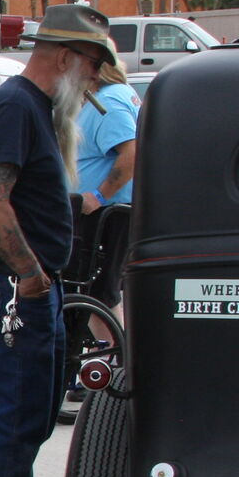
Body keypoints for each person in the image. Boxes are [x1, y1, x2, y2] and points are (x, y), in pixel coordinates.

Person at [0, 3, 113, 477]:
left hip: (28, 283)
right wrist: (26, 271)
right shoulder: (15, 106)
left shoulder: (34, 109)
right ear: (68, 56)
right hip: (13, 285)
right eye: (94, 64)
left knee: (36, 411)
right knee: (17, 414)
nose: (96, 79)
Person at [74, 49, 138, 309]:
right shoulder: (115, 96)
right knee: (102, 290)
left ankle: (116, 347)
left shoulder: (107, 103)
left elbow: (131, 153)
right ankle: (113, 346)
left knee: (99, 291)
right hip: (108, 209)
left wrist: (99, 195)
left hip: (105, 211)